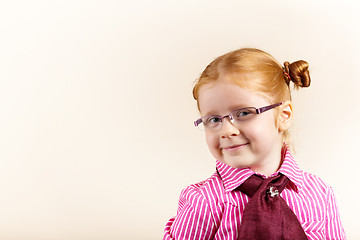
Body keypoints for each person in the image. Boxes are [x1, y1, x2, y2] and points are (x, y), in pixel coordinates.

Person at [163, 48, 346, 240]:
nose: (227, 131)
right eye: (214, 120)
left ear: (283, 116)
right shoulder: (203, 202)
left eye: (243, 113)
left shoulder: (319, 194)